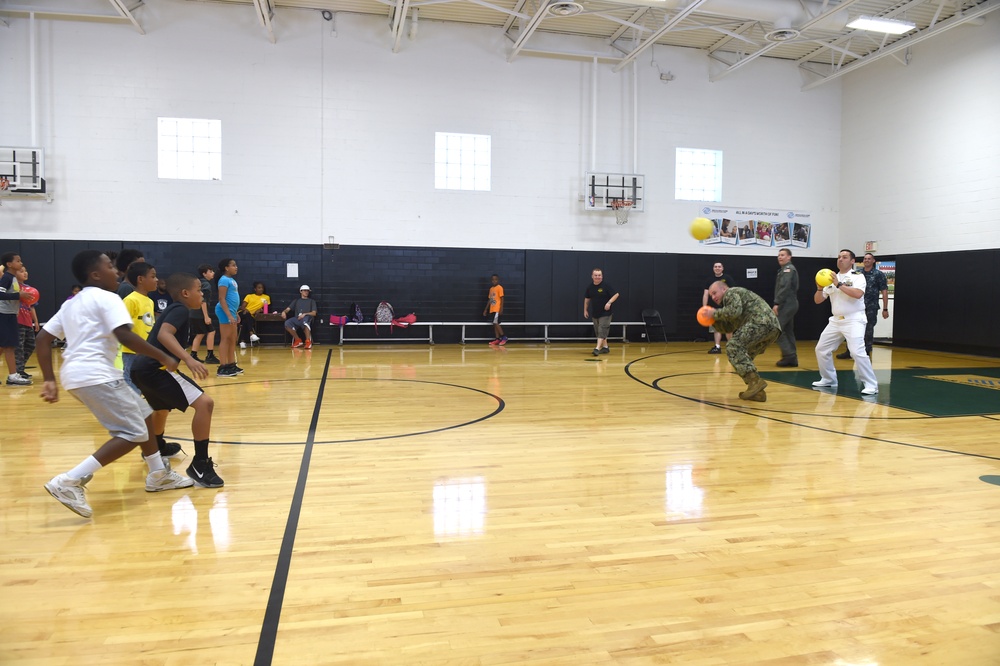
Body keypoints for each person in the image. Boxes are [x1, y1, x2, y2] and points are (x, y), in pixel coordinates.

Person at [37, 250, 193, 519]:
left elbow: (42, 339)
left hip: (76, 375)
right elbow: (124, 336)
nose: (116, 271)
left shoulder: (72, 303)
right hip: (97, 375)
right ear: (95, 274)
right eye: (109, 266)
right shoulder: (108, 298)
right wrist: (164, 356)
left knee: (144, 414)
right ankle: (68, 481)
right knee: (132, 432)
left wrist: (50, 379)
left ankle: (158, 474)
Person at [131, 273, 224, 488]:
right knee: (205, 404)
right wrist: (189, 360)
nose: (202, 294)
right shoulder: (180, 309)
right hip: (155, 369)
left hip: (141, 369)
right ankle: (200, 464)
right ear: (185, 293)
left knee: (161, 408)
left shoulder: (176, 310)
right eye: (199, 290)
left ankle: (157, 447)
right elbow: (164, 335)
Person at [812, 249, 879, 395]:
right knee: (821, 349)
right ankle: (829, 379)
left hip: (854, 319)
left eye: (844, 257)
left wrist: (839, 285)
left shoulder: (858, 276)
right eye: (839, 257)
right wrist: (819, 288)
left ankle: (871, 385)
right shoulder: (830, 278)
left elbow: (857, 294)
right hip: (836, 321)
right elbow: (818, 300)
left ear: (852, 261)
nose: (840, 259)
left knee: (857, 351)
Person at [705, 281, 782, 402]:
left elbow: (734, 312)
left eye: (714, 293)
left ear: (724, 289)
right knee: (743, 357)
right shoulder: (731, 301)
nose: (713, 297)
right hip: (773, 329)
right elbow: (729, 327)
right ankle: (758, 392)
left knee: (733, 347)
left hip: (761, 322)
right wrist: (713, 320)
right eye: (711, 296)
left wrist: (714, 313)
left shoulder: (731, 292)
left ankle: (755, 383)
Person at [836, 252, 890, 360]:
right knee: (851, 329)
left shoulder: (878, 274)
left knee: (868, 330)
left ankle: (866, 351)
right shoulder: (857, 273)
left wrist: (885, 308)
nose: (866, 261)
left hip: (871, 306)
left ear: (873, 261)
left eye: (869, 259)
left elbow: (884, 291)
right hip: (855, 306)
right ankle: (849, 351)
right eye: (865, 259)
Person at [120, 261, 159, 395]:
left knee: (143, 383)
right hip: (133, 352)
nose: (157, 280)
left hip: (146, 351)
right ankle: (130, 410)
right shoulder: (131, 300)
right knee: (131, 383)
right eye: (153, 276)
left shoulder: (150, 301)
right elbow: (123, 328)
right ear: (140, 279)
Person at [1, 252, 33, 386]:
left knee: (4, 346)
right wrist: (18, 295)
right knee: (9, 346)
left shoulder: (12, 278)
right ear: (9, 264)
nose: (21, 263)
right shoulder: (7, 278)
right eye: (18, 261)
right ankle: (13, 376)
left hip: (10, 314)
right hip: (5, 314)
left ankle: (13, 375)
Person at [214, 258, 241, 378]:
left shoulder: (231, 280)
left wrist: (236, 313)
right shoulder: (223, 280)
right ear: (226, 267)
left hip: (231, 312)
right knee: (225, 338)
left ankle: (231, 364)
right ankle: (222, 367)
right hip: (224, 312)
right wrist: (229, 315)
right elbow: (222, 298)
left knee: (232, 339)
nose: (236, 267)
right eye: (233, 265)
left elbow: (233, 299)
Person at [773, 248, 799, 367]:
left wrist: (777, 303)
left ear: (789, 257)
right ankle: (792, 358)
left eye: (783, 255)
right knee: (788, 331)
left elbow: (784, 287)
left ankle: (789, 356)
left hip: (787, 303)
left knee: (776, 329)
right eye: (779, 255)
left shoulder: (788, 269)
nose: (780, 257)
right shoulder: (784, 269)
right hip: (788, 303)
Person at [583, 268, 619, 357]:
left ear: (602, 276)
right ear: (592, 276)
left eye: (599, 275)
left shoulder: (606, 286)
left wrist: (609, 302)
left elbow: (616, 294)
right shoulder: (590, 287)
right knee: (598, 332)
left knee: (602, 329)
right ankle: (605, 347)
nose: (597, 277)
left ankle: (597, 348)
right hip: (595, 313)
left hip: (606, 313)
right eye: (596, 275)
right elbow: (587, 299)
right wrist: (585, 310)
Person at [189, 264, 220, 365]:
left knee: (200, 334)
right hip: (199, 313)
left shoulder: (198, 283)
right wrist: (206, 316)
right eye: (210, 271)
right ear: (204, 274)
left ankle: (193, 355)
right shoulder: (206, 284)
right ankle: (210, 355)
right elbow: (203, 301)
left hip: (194, 312)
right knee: (211, 331)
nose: (213, 273)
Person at [702, 262, 735, 354]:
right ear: (713, 268)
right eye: (715, 266)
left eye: (719, 266)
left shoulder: (728, 278)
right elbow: (705, 294)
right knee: (716, 328)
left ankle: (731, 347)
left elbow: (733, 292)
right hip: (714, 309)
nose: (717, 268)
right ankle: (717, 347)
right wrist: (705, 308)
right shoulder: (709, 280)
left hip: (726, 307)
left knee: (728, 328)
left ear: (722, 268)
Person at [14, 265, 40, 380]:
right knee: (18, 347)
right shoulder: (14, 286)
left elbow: (31, 306)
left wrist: (36, 321)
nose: (25, 273)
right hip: (17, 321)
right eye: (21, 271)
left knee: (31, 345)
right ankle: (18, 371)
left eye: (25, 271)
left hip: (28, 322)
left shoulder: (29, 288)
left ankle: (19, 368)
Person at [282, 285, 317, 349]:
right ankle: (298, 340)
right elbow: (288, 309)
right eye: (305, 290)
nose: (306, 292)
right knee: (287, 323)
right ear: (301, 291)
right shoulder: (296, 301)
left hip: (307, 318)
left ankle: (308, 341)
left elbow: (314, 313)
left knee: (305, 322)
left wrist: (305, 314)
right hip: (297, 318)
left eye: (307, 291)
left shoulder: (312, 301)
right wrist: (284, 312)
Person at [238, 281, 270, 347]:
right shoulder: (249, 296)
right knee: (247, 315)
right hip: (242, 313)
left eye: (262, 288)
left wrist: (261, 310)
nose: (261, 289)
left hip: (252, 316)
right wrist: (245, 309)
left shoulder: (266, 297)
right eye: (259, 288)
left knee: (245, 322)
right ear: (255, 289)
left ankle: (242, 341)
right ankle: (251, 334)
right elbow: (242, 307)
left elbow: (266, 309)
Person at [483, 274, 507, 346]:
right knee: (494, 324)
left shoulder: (500, 288)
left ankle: (504, 337)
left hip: (497, 309)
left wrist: (501, 308)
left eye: (495, 279)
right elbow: (490, 300)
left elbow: (502, 298)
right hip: (492, 309)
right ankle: (497, 339)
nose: (494, 281)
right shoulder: (491, 289)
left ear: (498, 280)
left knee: (496, 322)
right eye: (493, 280)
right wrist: (486, 309)